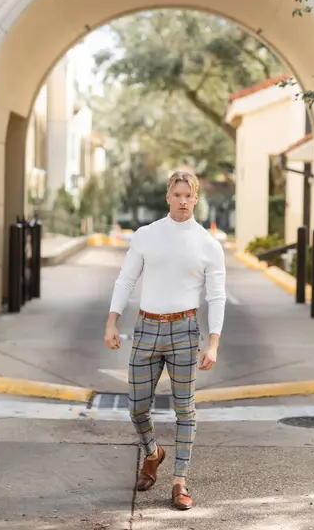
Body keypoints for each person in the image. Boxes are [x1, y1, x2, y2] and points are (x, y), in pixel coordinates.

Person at [105, 171, 226, 510]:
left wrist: (213, 342)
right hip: (147, 327)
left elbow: (217, 297)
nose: (184, 200)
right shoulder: (147, 235)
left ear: (196, 199)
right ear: (168, 197)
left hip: (185, 331)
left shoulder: (207, 244)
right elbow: (125, 280)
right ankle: (153, 453)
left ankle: (179, 482)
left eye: (189, 195)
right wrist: (112, 322)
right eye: (178, 194)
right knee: (137, 407)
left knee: (184, 410)